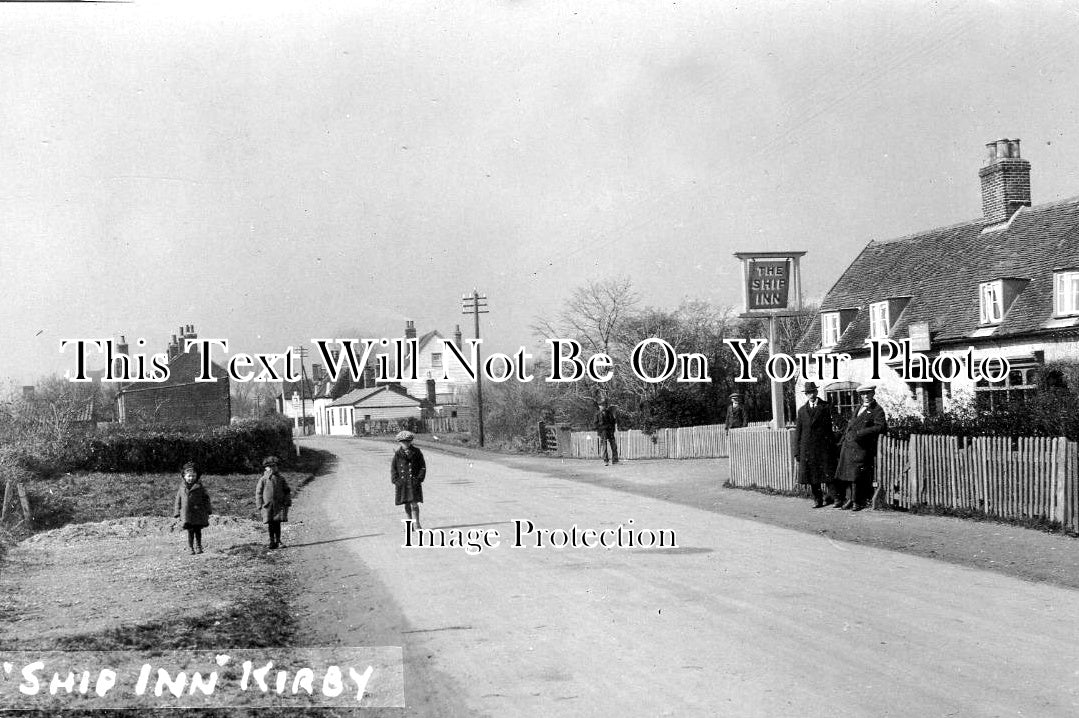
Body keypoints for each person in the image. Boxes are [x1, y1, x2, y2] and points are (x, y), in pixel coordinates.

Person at [834, 384, 889, 511]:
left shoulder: (877, 410)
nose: (865, 396)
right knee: (847, 474)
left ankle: (857, 501)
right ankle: (850, 499)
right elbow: (850, 426)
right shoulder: (858, 407)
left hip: (861, 446)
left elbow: (881, 427)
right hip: (849, 445)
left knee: (856, 475)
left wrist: (862, 433)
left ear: (873, 394)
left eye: (868, 393)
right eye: (863, 394)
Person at [792, 382, 838, 508]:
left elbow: (837, 421)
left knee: (828, 473)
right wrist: (797, 451)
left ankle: (835, 498)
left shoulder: (826, 406)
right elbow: (798, 433)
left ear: (816, 392)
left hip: (824, 447)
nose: (810, 395)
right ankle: (818, 500)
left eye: (812, 392)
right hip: (808, 449)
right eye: (808, 393)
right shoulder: (802, 411)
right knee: (812, 476)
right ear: (806, 395)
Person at [174, 461, 211, 555]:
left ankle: (199, 546)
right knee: (190, 532)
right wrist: (176, 512)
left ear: (197, 476)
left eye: (193, 476)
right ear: (184, 476)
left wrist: (208, 510)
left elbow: (206, 499)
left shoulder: (200, 487)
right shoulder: (182, 488)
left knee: (198, 531)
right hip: (187, 514)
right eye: (189, 476)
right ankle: (190, 547)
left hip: (198, 513)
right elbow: (178, 500)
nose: (191, 478)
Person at [255, 456, 292, 549]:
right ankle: (272, 541)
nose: (272, 468)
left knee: (277, 523)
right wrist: (259, 504)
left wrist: (287, 500)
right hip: (268, 506)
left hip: (279, 505)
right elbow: (258, 492)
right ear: (266, 468)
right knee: (270, 523)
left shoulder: (281, 479)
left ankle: (278, 540)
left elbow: (287, 490)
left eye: (274, 466)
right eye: (270, 467)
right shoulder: (263, 480)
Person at [392, 430, 426, 528]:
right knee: (406, 503)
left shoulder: (416, 452)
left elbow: (422, 466)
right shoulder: (398, 454)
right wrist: (395, 480)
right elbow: (394, 468)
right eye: (403, 442)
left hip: (413, 482)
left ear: (410, 441)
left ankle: (417, 523)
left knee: (414, 503)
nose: (405, 444)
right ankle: (409, 524)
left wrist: (419, 478)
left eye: (407, 441)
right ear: (399, 442)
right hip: (403, 482)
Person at [594, 400, 619, 465]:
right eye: (601, 405)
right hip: (603, 432)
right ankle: (606, 460)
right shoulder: (597, 414)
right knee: (604, 447)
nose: (603, 407)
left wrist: (613, 430)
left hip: (610, 431)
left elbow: (613, 422)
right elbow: (595, 425)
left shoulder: (609, 413)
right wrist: (600, 431)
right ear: (599, 406)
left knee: (614, 446)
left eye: (604, 405)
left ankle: (615, 460)